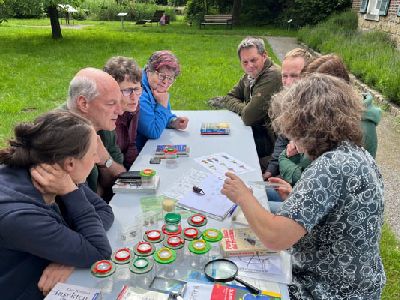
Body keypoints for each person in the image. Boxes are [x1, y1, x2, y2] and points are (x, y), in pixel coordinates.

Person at [222, 74, 385, 299]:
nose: (290, 138)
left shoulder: (330, 166)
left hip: (329, 290)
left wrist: (243, 196)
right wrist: (295, 197)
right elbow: (338, 217)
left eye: (292, 128)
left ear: (306, 125)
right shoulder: (356, 153)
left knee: (228, 277)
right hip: (357, 284)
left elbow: (275, 238)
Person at [0, 110, 114, 300]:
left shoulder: (51, 171)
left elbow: (103, 210)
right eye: (93, 154)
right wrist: (80, 249)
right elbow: (99, 252)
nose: (96, 160)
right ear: (70, 163)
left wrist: (69, 256)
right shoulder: (20, 215)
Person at [208, 36, 282, 170]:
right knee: (218, 142)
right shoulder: (251, 75)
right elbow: (230, 97)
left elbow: (248, 117)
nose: (249, 66)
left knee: (228, 156)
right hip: (256, 129)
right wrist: (247, 108)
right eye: (245, 62)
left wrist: (246, 110)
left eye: (254, 60)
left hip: (271, 142)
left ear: (264, 56)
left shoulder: (272, 76)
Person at [66, 67, 126, 201]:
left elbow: (121, 179)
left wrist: (105, 160)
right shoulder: (63, 139)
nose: (120, 111)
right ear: (83, 104)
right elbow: (83, 203)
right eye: (111, 103)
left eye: (119, 102)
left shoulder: (103, 124)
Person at [263, 48, 313, 180]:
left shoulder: (316, 111)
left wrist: (283, 161)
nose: (288, 83)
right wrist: (270, 171)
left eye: (294, 76)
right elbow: (282, 139)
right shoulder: (287, 102)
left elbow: (306, 172)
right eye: (284, 76)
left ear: (310, 75)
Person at [136, 50, 189, 152]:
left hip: (148, 148)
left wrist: (173, 122)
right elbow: (153, 131)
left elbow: (163, 114)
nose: (165, 82)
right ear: (148, 71)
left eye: (170, 79)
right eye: (161, 76)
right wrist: (162, 105)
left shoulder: (154, 86)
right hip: (137, 155)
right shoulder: (138, 92)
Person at [104, 56, 142, 170]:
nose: (134, 97)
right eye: (127, 90)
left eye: (137, 89)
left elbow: (131, 145)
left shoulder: (132, 107)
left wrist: (136, 171)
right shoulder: (105, 117)